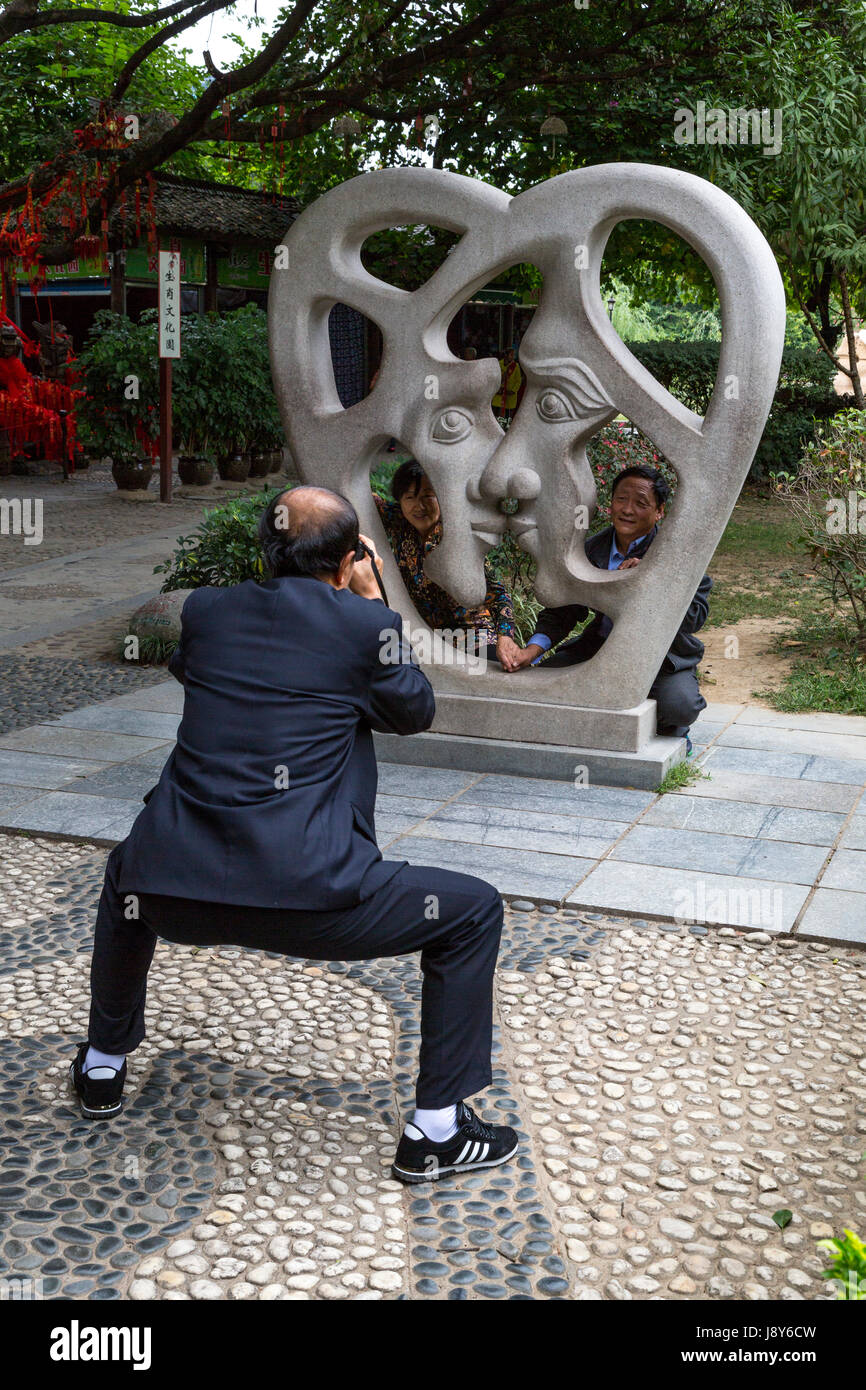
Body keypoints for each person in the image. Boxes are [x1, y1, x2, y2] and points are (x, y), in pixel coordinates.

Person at [71, 486, 518, 1185]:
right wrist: (372, 606)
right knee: (473, 911)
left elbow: (202, 672)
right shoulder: (359, 625)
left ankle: (102, 1064)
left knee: (126, 869)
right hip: (313, 900)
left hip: (170, 889)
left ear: (267, 549)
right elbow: (413, 710)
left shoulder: (208, 612)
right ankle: (435, 1131)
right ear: (348, 561)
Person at [506, 465, 711, 749]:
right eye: (621, 499)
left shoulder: (675, 555)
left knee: (680, 705)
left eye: (641, 503)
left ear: (660, 511)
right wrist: (532, 649)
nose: (627, 509)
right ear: (610, 503)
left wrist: (651, 581)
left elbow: (694, 619)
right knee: (548, 681)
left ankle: (671, 728)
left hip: (661, 658)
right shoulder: (591, 550)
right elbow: (563, 610)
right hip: (599, 648)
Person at [374, 457, 522, 668]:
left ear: (442, 499)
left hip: (472, 634)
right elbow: (360, 497)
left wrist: (505, 637)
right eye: (409, 497)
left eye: (428, 496)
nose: (419, 506)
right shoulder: (399, 521)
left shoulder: (457, 536)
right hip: (422, 635)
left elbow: (497, 592)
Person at [491, 345, 522, 421]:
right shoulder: (498, 364)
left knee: (508, 417)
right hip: (499, 394)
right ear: (506, 355)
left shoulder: (516, 366)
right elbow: (494, 378)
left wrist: (513, 391)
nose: (513, 357)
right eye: (511, 355)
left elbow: (518, 381)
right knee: (495, 415)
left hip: (509, 395)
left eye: (513, 355)